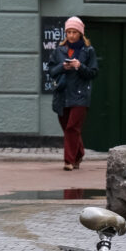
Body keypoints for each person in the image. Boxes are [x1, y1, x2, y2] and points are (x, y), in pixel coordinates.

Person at [48, 17, 98, 171]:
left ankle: (68, 161)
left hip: (80, 95)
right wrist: (63, 67)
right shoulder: (59, 51)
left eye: (74, 32)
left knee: (72, 128)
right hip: (62, 95)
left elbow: (93, 72)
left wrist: (79, 66)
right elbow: (51, 71)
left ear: (80, 33)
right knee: (68, 128)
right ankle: (79, 153)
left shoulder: (88, 51)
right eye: (68, 32)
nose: (71, 35)